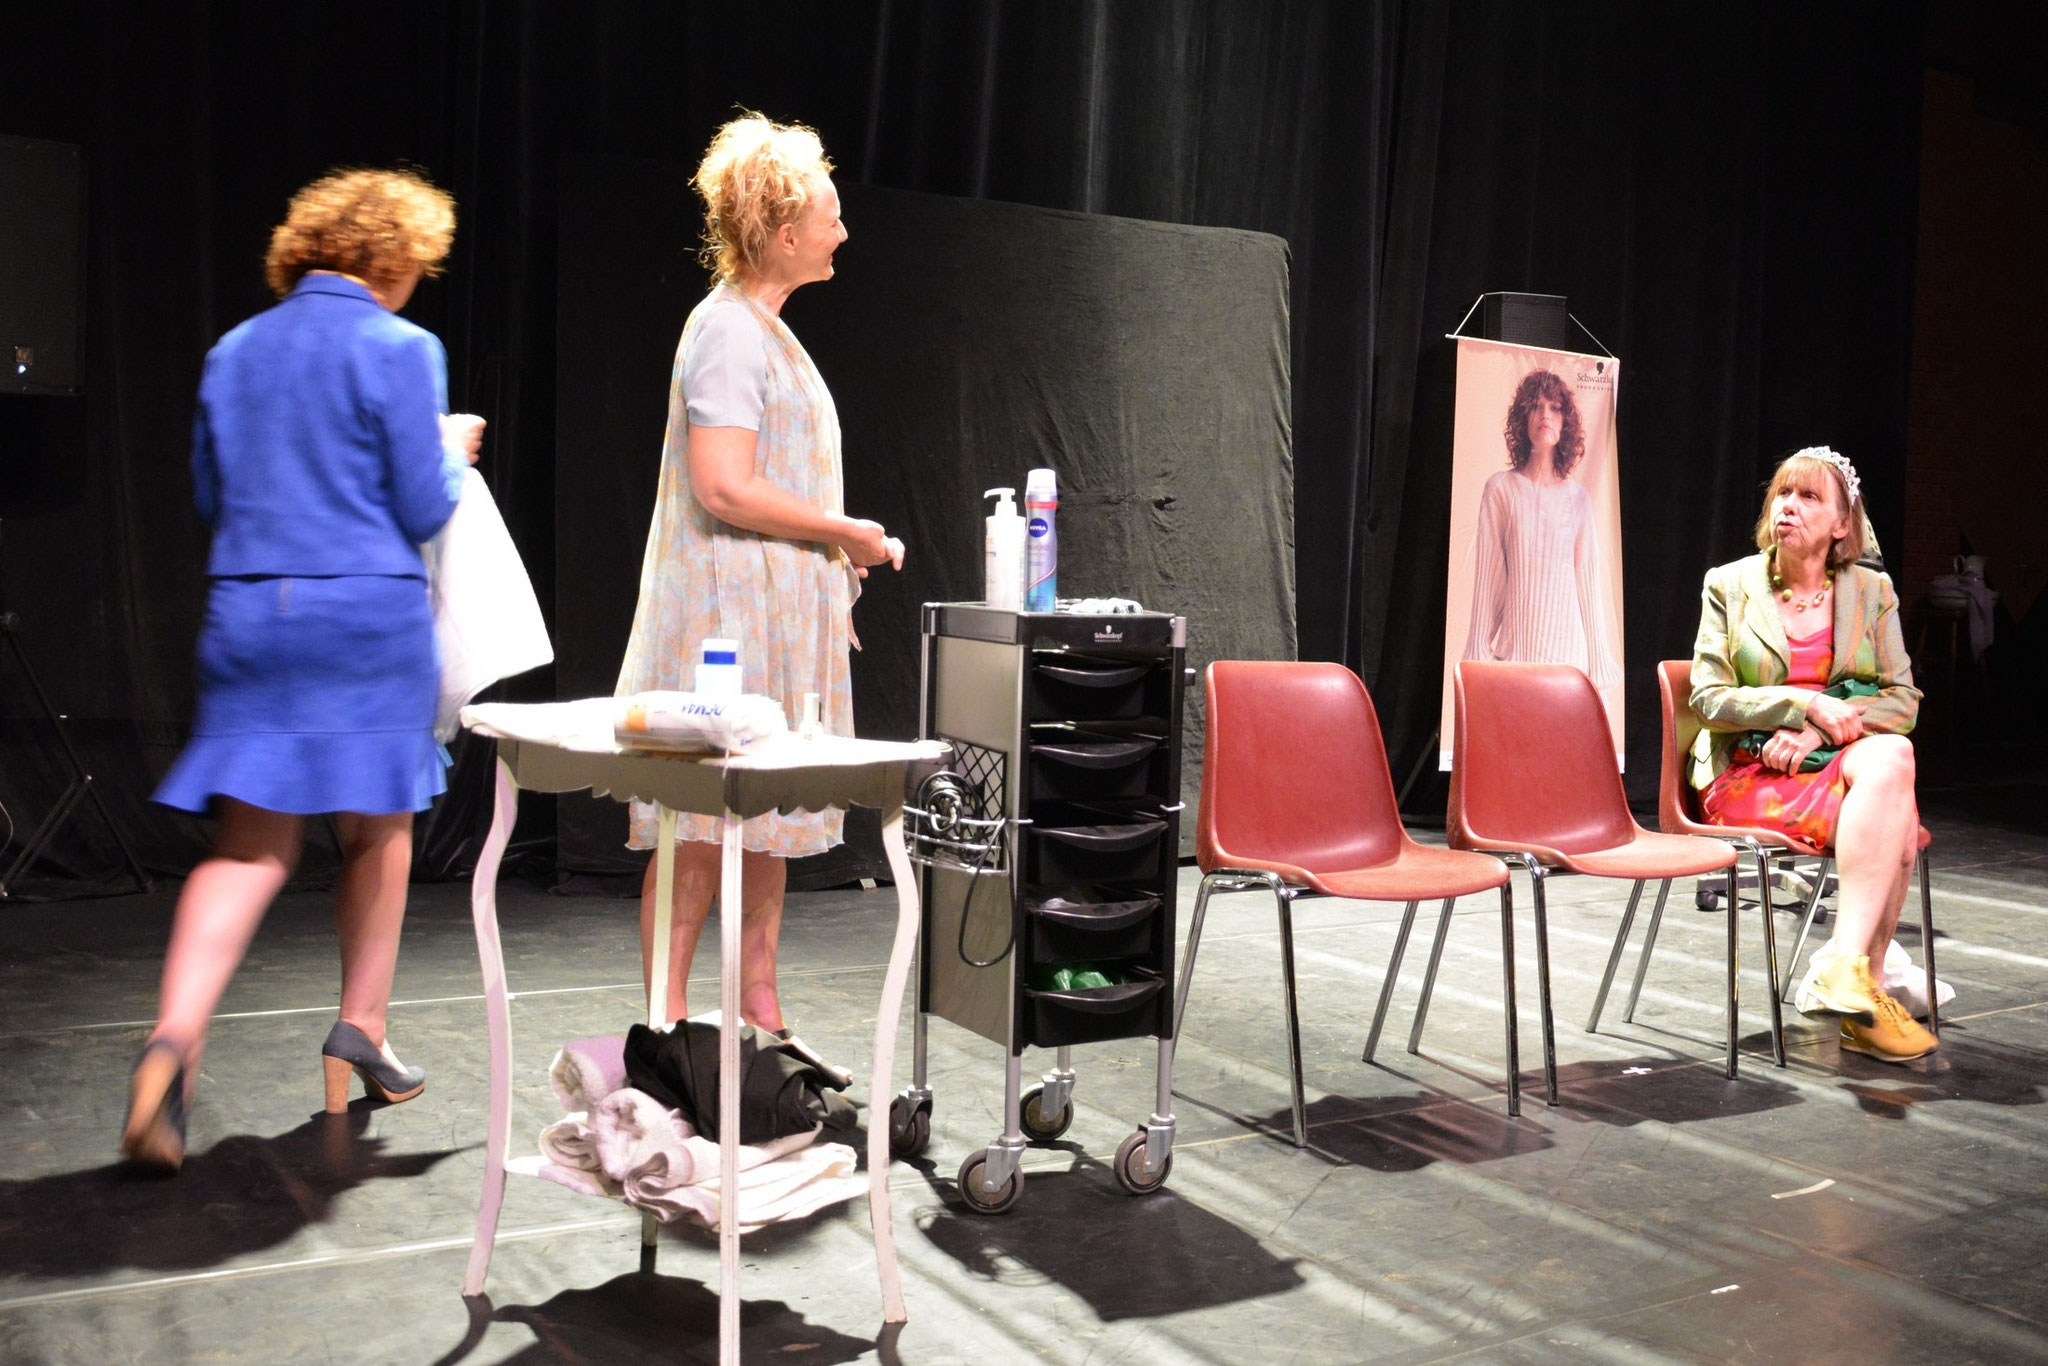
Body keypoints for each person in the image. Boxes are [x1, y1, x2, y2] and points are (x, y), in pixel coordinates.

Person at [123, 169, 484, 1172]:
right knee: (379, 827)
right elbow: (421, 505)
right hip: (363, 618)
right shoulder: (402, 347)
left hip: (249, 611)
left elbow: (211, 495)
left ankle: (171, 1042)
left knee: (249, 849)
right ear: (393, 256)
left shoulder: (234, 349)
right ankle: (361, 1025)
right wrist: (450, 450)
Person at [615, 114, 903, 1047]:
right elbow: (724, 485)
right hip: (724, 620)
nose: (843, 231)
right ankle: (664, 1028)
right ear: (782, 233)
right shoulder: (728, 333)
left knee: (765, 811)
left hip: (768, 614)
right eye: (830, 215)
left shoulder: (765, 331)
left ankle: (759, 1009)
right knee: (700, 824)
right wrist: (847, 532)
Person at [1688, 446, 1936, 1062]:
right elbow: (1708, 698)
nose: (1789, 506)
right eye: (1782, 493)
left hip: (1829, 760)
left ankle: (1845, 970)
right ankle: (1863, 993)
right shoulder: (1730, 584)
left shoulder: (1871, 591)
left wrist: (1821, 731)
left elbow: (1903, 699)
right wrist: (1801, 706)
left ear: (1842, 524)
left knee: (1893, 756)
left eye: (1808, 497)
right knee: (1897, 819)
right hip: (1749, 771)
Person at [1463, 368, 1622, 700]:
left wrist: (1597, 665)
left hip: (1570, 661)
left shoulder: (1579, 499)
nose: (1545, 415)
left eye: (1554, 408)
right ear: (1523, 418)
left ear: (1565, 423)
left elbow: (1587, 582)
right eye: (1536, 407)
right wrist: (1478, 652)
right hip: (1517, 657)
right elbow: (1490, 576)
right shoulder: (1501, 489)